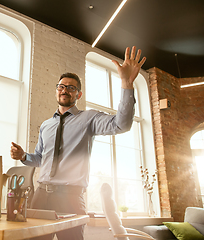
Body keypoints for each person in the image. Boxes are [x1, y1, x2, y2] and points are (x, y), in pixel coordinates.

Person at [10, 46, 146, 240]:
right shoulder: (46, 125)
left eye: (71, 88)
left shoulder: (88, 119)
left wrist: (126, 83)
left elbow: (121, 125)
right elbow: (40, 159)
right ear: (57, 91)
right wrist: (24, 156)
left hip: (71, 198)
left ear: (78, 95)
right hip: (40, 196)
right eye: (61, 86)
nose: (65, 90)